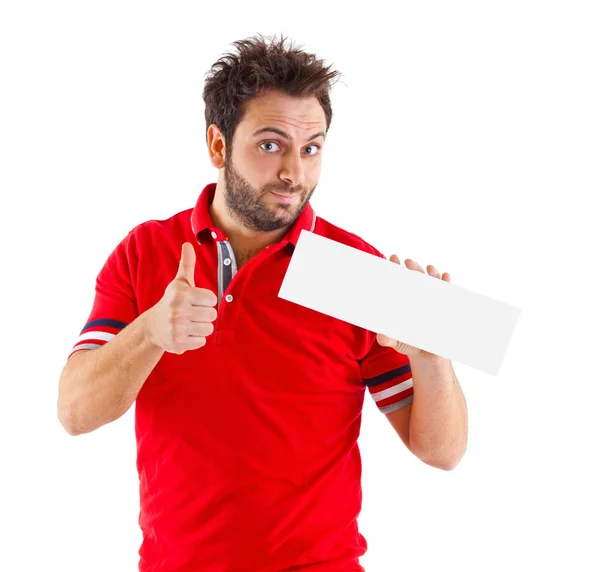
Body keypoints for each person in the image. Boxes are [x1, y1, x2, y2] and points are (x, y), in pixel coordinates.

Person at [57, 33, 468, 572]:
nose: (294, 173)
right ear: (218, 146)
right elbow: (74, 413)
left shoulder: (357, 273)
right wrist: (151, 332)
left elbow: (443, 452)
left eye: (311, 147)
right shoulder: (145, 251)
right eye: (271, 144)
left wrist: (433, 358)